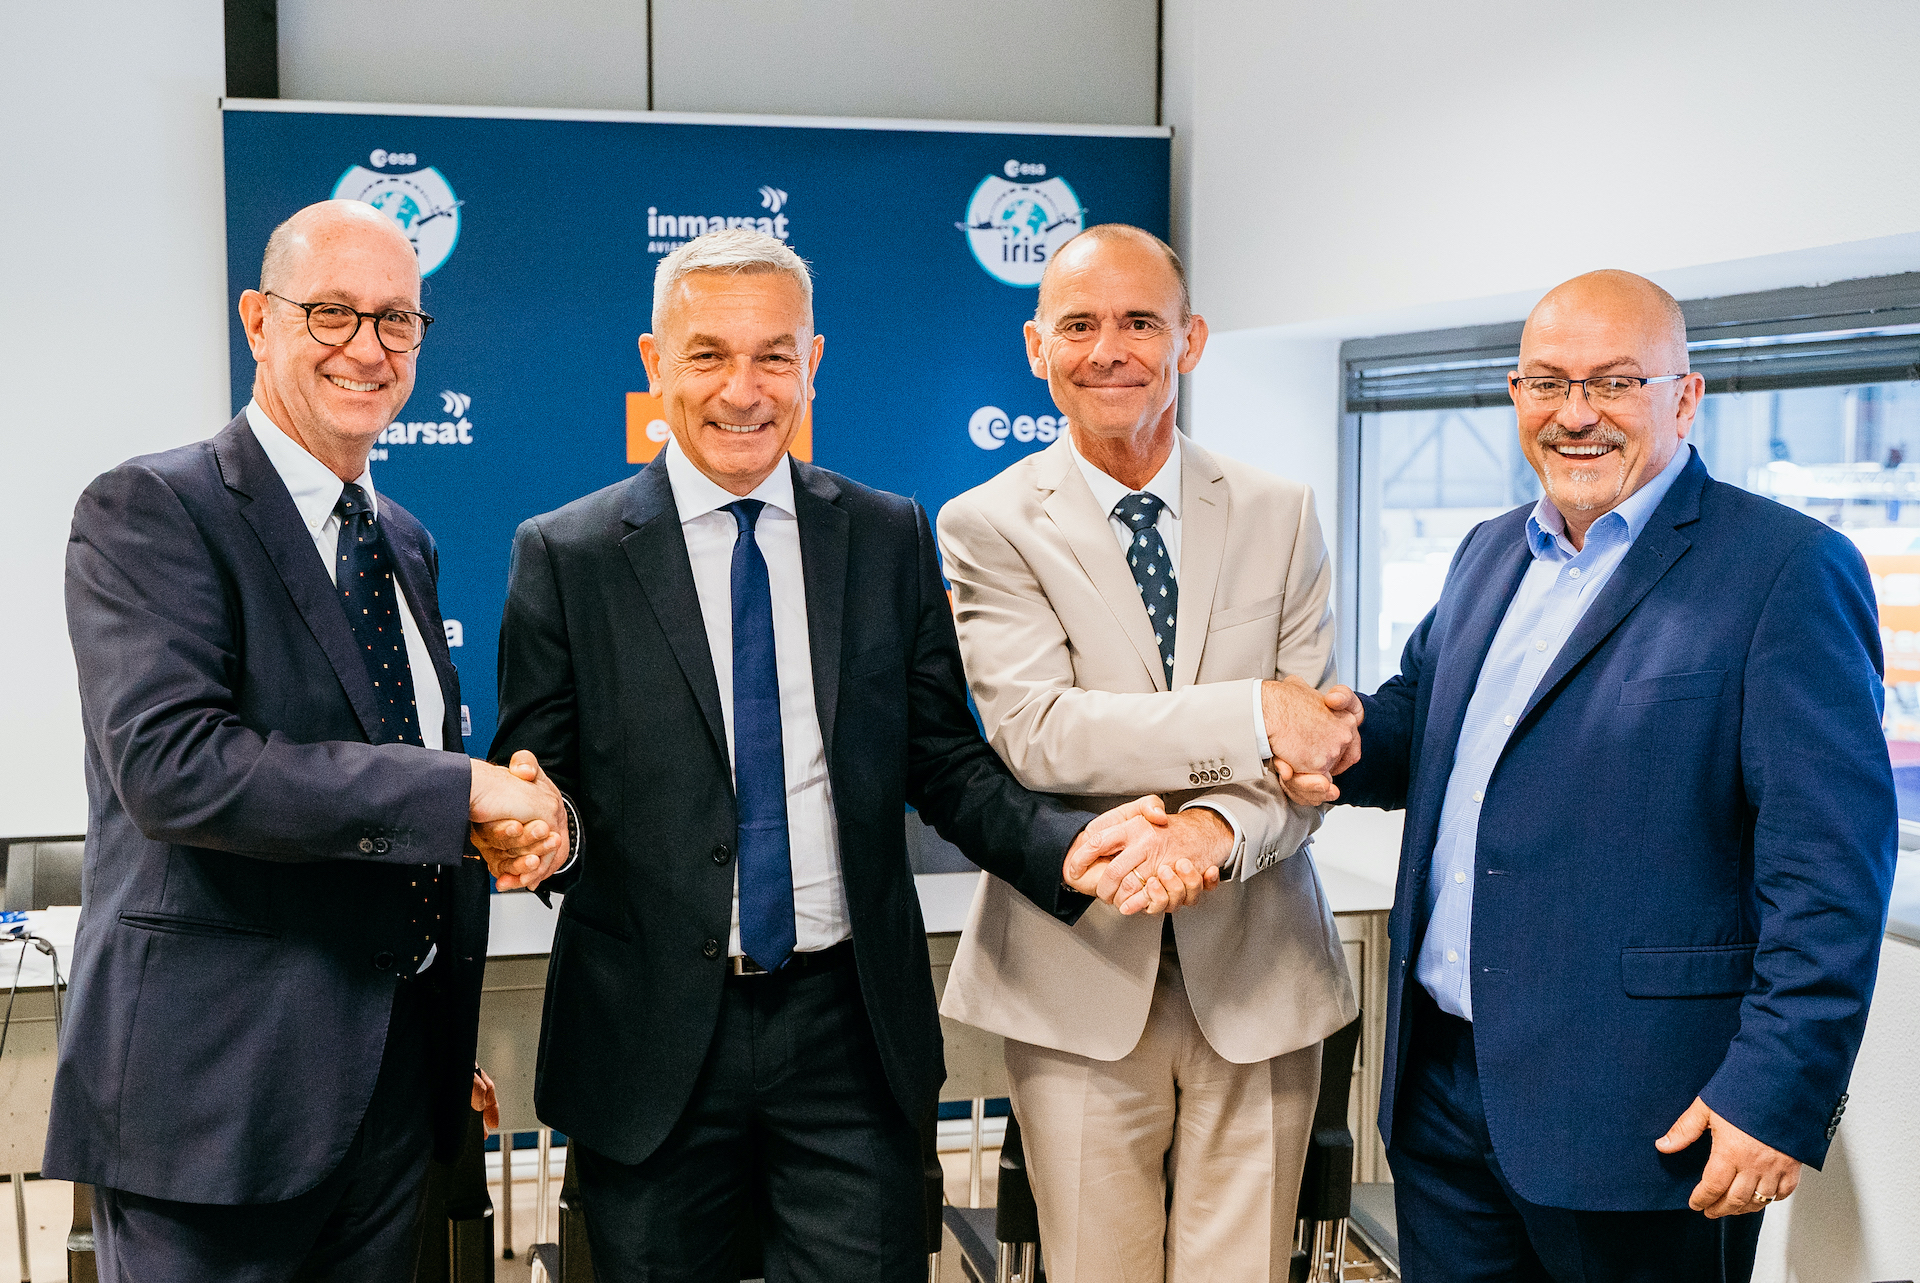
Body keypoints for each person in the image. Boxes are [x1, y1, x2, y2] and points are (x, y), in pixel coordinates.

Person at [483, 227, 1170, 1282]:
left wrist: (1064, 845)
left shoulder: (885, 534)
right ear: (655, 362)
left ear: (812, 362)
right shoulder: (565, 554)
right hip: (648, 1041)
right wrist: (545, 837)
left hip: (850, 1035)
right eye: (708, 354)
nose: (743, 388)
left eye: (774, 355)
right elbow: (542, 787)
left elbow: (943, 760)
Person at [1303, 269, 1898, 1281]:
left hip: (1648, 1112)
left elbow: (1831, 868)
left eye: (1615, 382)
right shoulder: (1491, 549)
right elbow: (1426, 719)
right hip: (1446, 1088)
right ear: (1515, 395)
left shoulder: (1786, 568)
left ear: (1685, 397)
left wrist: (1776, 1091)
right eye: (1547, 382)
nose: (1575, 413)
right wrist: (1321, 730)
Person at [48, 199, 568, 1283]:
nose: (367, 347)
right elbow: (175, 769)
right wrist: (459, 791)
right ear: (258, 319)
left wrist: (509, 826)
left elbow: (386, 787)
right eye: (332, 312)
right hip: (212, 1108)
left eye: (397, 320)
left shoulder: (404, 540)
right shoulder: (153, 507)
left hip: (389, 1096)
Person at [934, 224, 1363, 1282]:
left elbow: (1311, 757)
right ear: (1037, 345)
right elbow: (1042, 733)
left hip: (1261, 966)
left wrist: (1214, 830)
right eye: (1079, 324)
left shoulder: (1281, 511)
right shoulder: (987, 522)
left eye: (1140, 321)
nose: (1109, 349)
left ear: (1190, 339)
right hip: (1074, 969)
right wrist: (1255, 714)